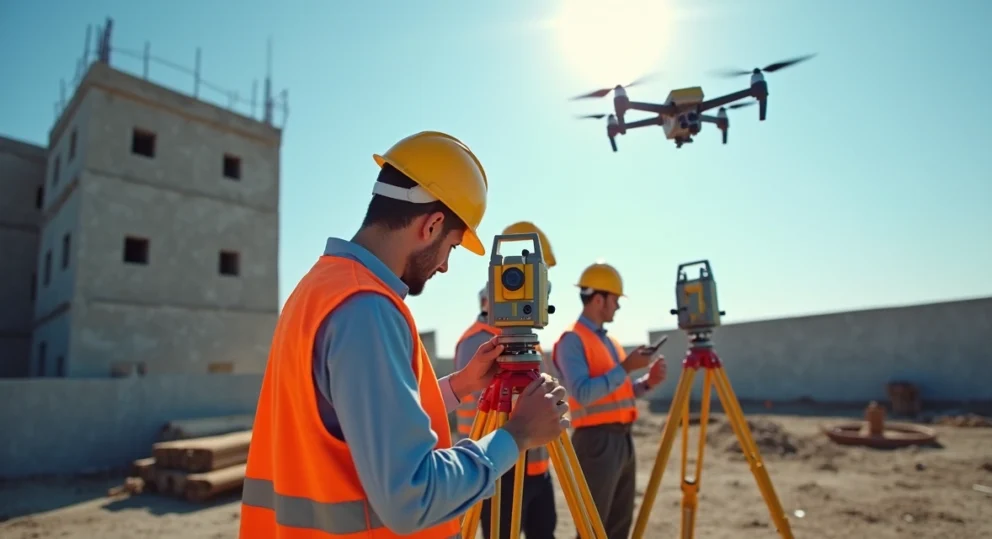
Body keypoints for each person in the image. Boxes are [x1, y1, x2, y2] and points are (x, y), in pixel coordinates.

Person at [238, 131, 571, 538]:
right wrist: (518, 435)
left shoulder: (322, 288)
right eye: (451, 247)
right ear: (431, 225)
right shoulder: (366, 308)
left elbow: (359, 417)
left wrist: (463, 384)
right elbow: (412, 497)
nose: (445, 267)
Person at [453, 221, 559, 539]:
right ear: (490, 296)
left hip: (537, 462)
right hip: (499, 460)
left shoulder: (530, 345)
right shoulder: (477, 343)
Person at [551, 261, 669, 539]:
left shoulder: (609, 341)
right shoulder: (572, 340)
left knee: (618, 527)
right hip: (596, 443)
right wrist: (627, 367)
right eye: (615, 300)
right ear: (599, 298)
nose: (617, 306)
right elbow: (583, 393)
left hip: (622, 440)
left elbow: (618, 391)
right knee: (593, 529)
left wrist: (646, 383)